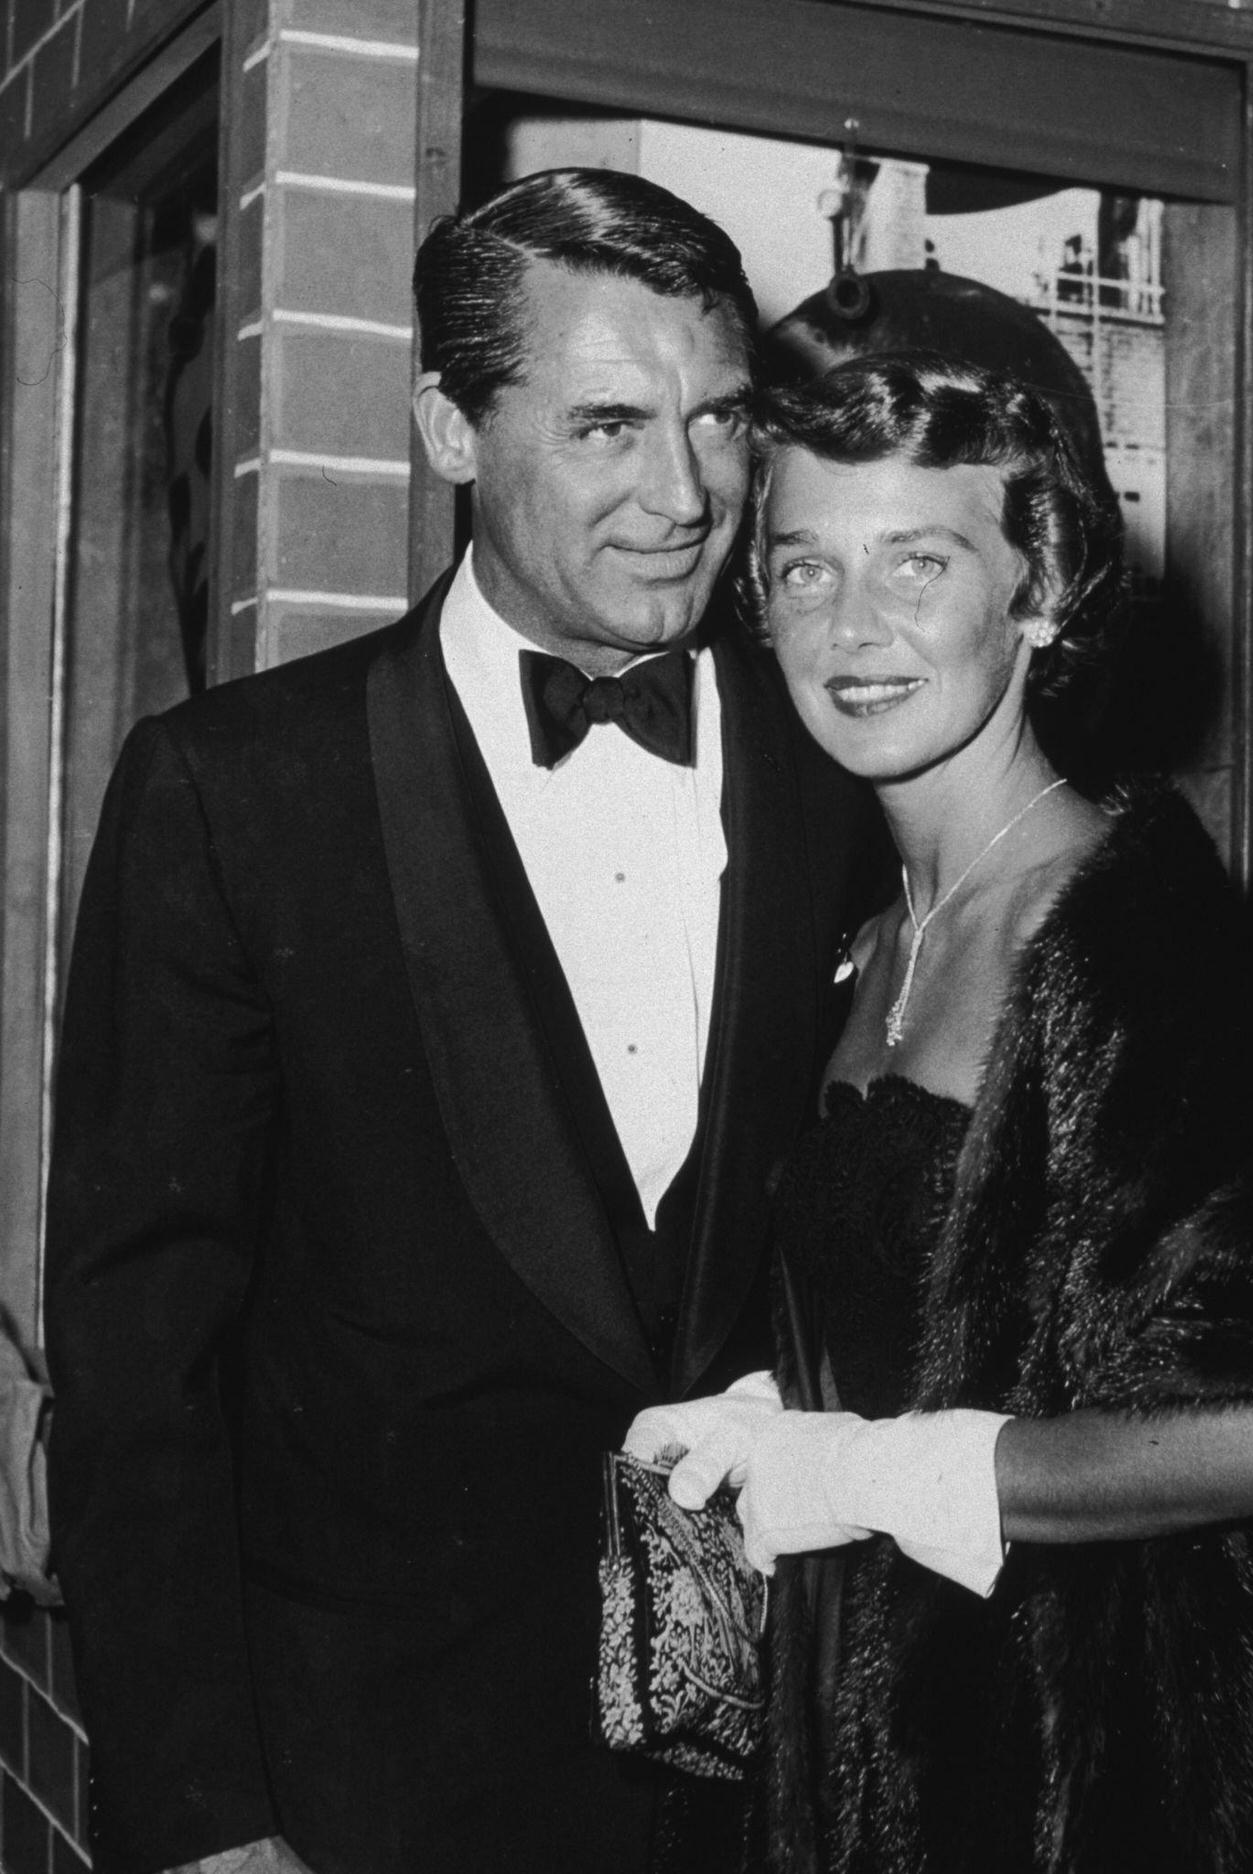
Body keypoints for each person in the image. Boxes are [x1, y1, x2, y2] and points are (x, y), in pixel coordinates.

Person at [43, 169, 874, 1874]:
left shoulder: (841, 768)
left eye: (718, 421)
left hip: (757, 1791)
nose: (686, 492)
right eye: (606, 426)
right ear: (445, 426)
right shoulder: (234, 794)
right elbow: (141, 1376)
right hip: (368, 1791)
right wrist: (208, 1826)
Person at [628, 354, 1253, 1873]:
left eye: (920, 560)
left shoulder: (1143, 938)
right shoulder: (864, 925)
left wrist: (869, 1470)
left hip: (1056, 1787)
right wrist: (767, 1419)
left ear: (1044, 590)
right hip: (849, 1744)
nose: (854, 623)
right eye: (805, 566)